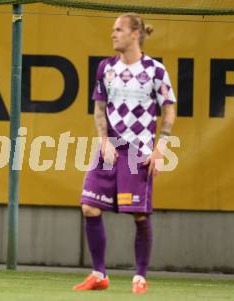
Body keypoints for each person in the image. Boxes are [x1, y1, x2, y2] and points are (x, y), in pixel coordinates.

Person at [73, 13, 176, 294]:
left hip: (138, 152)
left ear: (135, 34)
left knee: (139, 216)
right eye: (113, 30)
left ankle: (140, 277)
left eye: (118, 29)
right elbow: (98, 107)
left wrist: (161, 148)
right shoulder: (105, 68)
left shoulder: (155, 71)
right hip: (110, 148)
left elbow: (168, 109)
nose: (113, 34)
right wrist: (103, 140)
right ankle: (99, 274)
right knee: (89, 206)